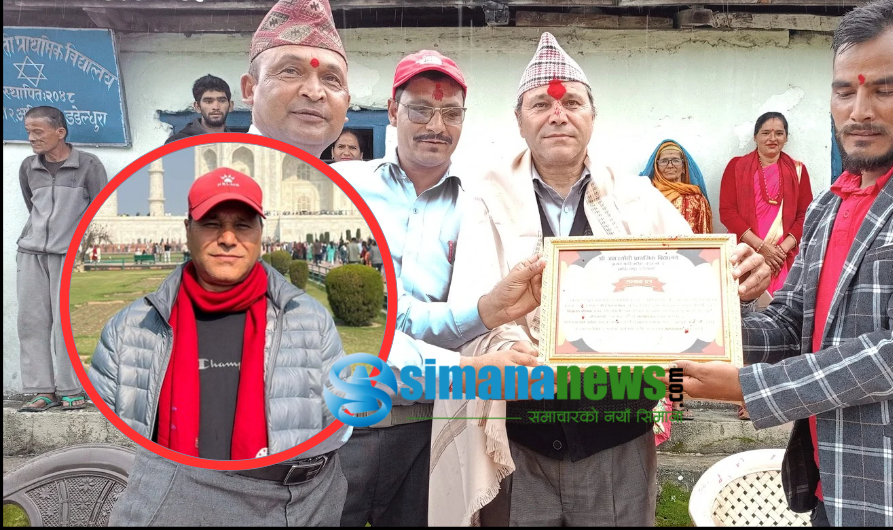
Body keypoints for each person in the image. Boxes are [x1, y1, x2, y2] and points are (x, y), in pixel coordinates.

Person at [676, 0, 893, 527]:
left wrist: (747, 386)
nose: (859, 110)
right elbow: (790, 324)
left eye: (885, 89)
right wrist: (692, 330)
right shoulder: (830, 203)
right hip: (834, 488)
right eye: (844, 90)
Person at [429, 33, 772, 527]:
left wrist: (740, 277)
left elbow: (700, 288)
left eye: (572, 102)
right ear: (519, 120)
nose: (558, 114)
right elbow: (467, 309)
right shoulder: (482, 200)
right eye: (541, 104)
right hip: (518, 439)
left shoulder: (639, 198)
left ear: (593, 115)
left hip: (617, 440)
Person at [333, 50, 545, 527]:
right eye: (420, 110)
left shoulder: (478, 205)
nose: (436, 126)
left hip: (426, 423)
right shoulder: (344, 187)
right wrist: (475, 358)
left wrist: (491, 312)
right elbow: (361, 320)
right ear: (392, 111)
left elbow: (424, 314)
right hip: (339, 422)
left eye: (451, 113)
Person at [91, 167, 348, 524]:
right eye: (212, 224)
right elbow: (109, 443)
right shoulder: (132, 330)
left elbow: (336, 424)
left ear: (260, 233)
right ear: (187, 230)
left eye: (242, 225)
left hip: (289, 505)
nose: (228, 238)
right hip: (172, 501)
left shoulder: (309, 322)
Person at [17, 106, 108, 412]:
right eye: (29, 132)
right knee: (31, 322)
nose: (32, 138)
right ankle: (42, 390)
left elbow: (100, 211)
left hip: (69, 256)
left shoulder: (88, 165)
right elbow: (32, 206)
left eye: (38, 132)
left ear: (60, 132)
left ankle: (71, 388)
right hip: (31, 254)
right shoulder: (29, 167)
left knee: (66, 323)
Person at [241, 0, 350, 158]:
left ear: (347, 104)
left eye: (331, 79)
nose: (314, 93)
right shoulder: (209, 173)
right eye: (291, 71)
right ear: (249, 90)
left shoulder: (340, 178)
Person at [720, 112, 813, 297]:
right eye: (765, 133)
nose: (772, 138)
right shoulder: (736, 167)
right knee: (745, 302)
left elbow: (806, 215)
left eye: (779, 133)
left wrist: (780, 252)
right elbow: (727, 212)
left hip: (783, 259)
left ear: (786, 138)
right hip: (745, 253)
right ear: (755, 137)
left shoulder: (798, 170)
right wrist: (761, 247)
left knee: (782, 307)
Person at [640, 139, 714, 234]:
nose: (670, 165)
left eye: (675, 160)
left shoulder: (697, 200)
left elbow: (705, 238)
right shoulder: (646, 197)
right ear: (656, 167)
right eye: (664, 161)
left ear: (684, 167)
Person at [165, 74, 234, 143]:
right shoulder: (177, 143)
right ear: (197, 107)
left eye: (222, 101)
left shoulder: (236, 142)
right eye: (208, 101)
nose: (216, 107)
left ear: (230, 106)